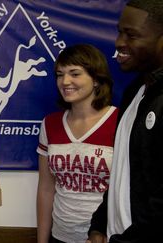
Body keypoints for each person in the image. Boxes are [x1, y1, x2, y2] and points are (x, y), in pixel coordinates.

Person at [87, 0, 163, 242]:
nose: (119, 43)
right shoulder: (135, 91)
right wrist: (99, 225)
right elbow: (124, 171)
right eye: (119, 31)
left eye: (131, 35)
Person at [36, 44, 118, 243]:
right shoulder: (50, 124)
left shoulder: (120, 121)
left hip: (105, 236)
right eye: (59, 74)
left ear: (96, 79)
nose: (65, 81)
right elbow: (46, 189)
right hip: (60, 236)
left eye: (75, 73)